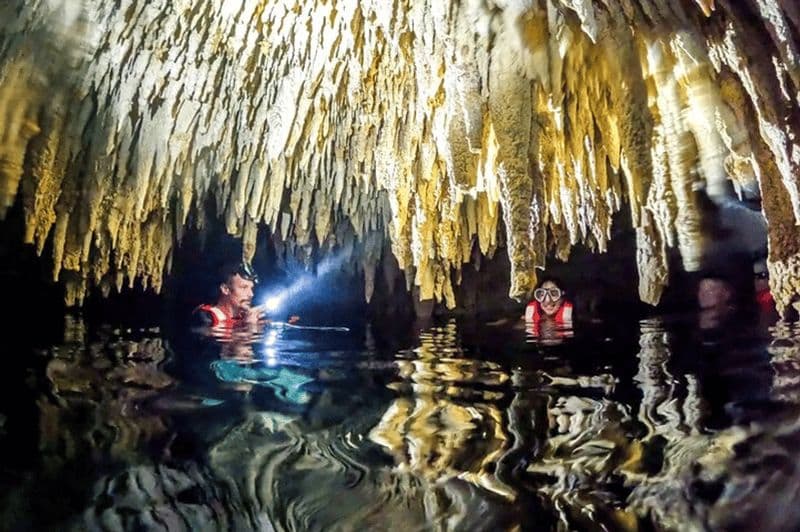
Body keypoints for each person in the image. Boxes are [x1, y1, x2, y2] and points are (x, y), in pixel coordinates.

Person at [192, 261, 299, 333]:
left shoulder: (244, 314)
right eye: (244, 288)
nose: (251, 294)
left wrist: (284, 321)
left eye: (251, 288)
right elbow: (207, 349)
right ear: (225, 289)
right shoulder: (205, 317)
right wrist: (249, 326)